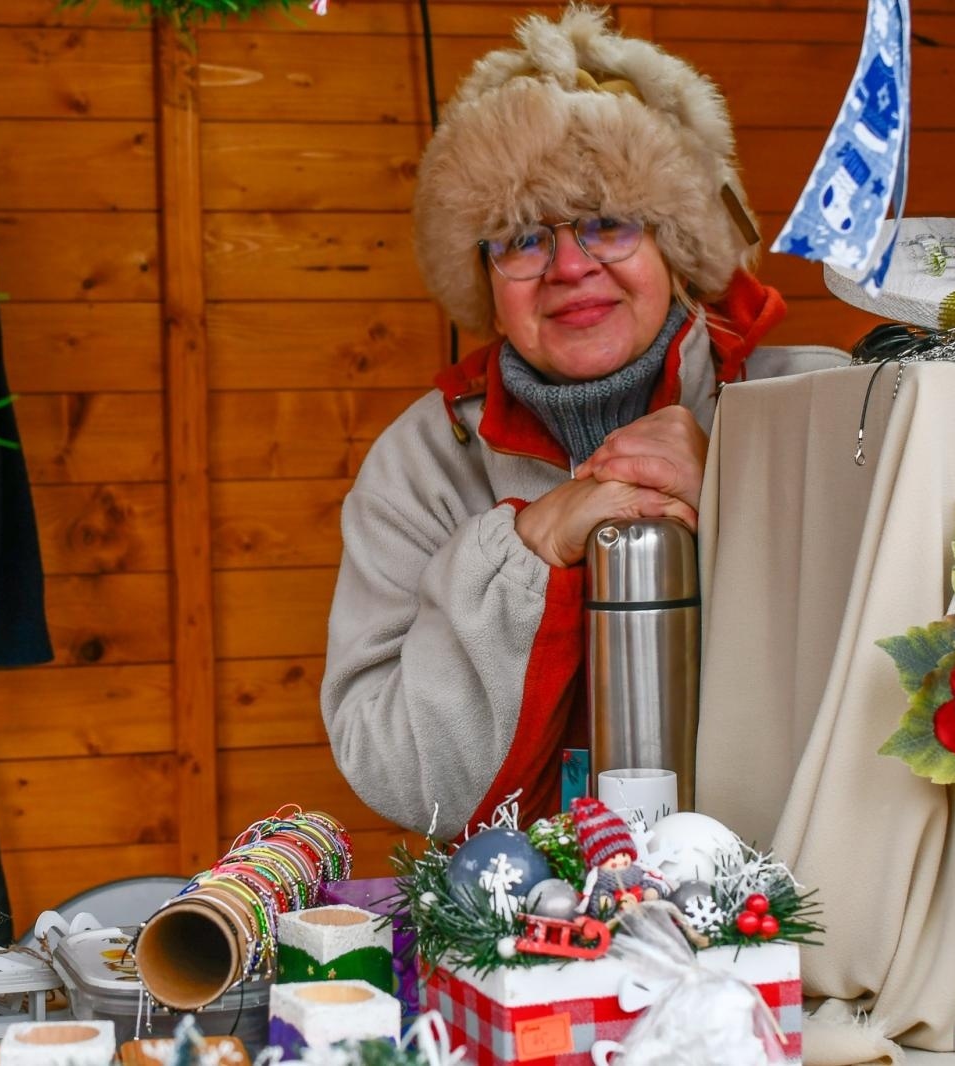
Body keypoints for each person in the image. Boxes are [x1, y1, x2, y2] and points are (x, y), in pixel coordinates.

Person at [322, 6, 847, 839]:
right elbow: (402, 775)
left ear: (676, 247)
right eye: (523, 238)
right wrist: (526, 546)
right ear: (483, 276)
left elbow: (894, 681)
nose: (570, 267)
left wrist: (734, 489)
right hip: (514, 927)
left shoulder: (816, 408)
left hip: (789, 918)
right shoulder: (420, 464)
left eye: (609, 223)